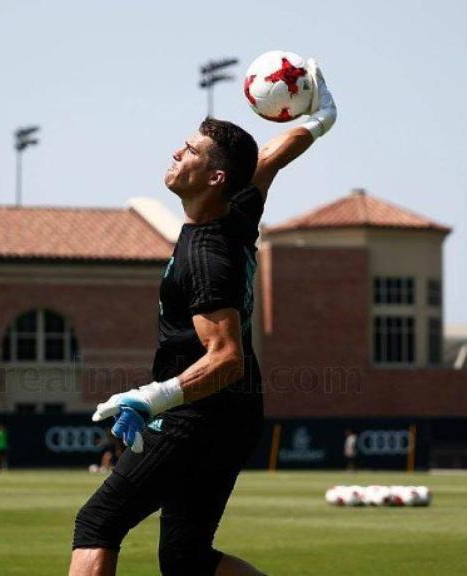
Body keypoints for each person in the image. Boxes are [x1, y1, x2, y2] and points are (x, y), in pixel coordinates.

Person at [69, 60, 336, 576]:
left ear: (214, 177)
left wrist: (150, 398)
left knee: (98, 523)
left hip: (203, 413)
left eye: (190, 150)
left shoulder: (207, 255)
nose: (175, 152)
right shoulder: (236, 208)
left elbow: (227, 358)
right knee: (186, 559)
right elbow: (271, 159)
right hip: (231, 414)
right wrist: (321, 117)